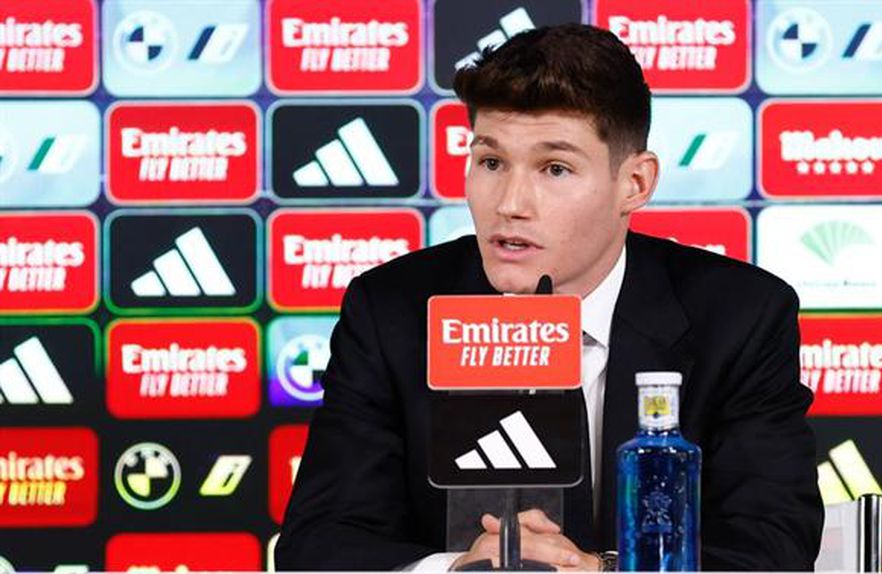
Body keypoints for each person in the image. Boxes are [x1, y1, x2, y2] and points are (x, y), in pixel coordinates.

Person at [275, 23, 822, 571]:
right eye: (491, 162)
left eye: (554, 169)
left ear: (634, 183)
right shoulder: (390, 310)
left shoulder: (739, 317)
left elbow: (772, 548)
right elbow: (319, 544)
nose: (510, 204)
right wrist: (456, 569)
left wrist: (598, 571)